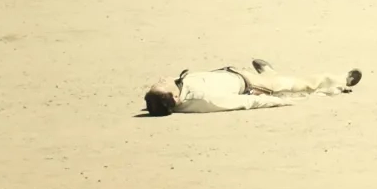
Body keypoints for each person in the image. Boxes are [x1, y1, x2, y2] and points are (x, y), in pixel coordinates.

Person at [142, 59, 363, 116]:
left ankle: (268, 72)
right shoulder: (204, 100)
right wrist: (279, 100)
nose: (160, 79)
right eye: (160, 85)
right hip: (253, 86)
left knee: (283, 81)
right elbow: (246, 102)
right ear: (174, 97)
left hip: (234, 73)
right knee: (299, 84)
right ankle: (339, 81)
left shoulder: (179, 90)